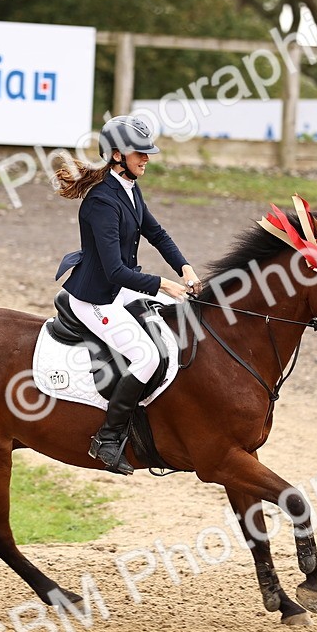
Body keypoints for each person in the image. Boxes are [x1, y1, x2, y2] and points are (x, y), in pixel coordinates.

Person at [53, 115, 200, 475]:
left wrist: (186, 269)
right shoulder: (102, 200)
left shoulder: (128, 188)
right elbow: (115, 270)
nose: (147, 158)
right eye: (141, 153)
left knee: (182, 317)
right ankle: (107, 438)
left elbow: (158, 233)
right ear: (117, 155)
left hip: (117, 291)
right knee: (147, 356)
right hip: (95, 298)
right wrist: (163, 284)